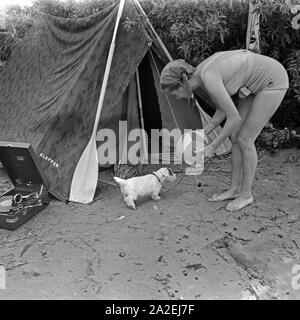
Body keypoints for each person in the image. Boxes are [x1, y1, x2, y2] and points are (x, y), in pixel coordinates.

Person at [160, 50, 289, 211]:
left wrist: (213, 146)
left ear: (183, 81)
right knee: (234, 136)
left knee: (245, 139)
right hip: (250, 86)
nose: (176, 97)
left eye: (174, 92)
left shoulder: (209, 78)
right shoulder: (202, 75)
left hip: (273, 80)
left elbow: (234, 117)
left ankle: (246, 194)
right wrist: (202, 134)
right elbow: (222, 110)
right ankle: (234, 189)